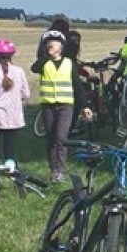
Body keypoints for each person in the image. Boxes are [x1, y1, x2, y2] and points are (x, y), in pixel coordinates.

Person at [37, 35, 79, 182]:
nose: (50, 49)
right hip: (48, 105)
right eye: (48, 47)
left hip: (65, 105)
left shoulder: (69, 63)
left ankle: (59, 170)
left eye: (53, 46)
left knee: (61, 138)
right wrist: (46, 57)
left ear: (61, 48)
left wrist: (84, 105)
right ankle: (52, 168)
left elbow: (77, 85)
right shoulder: (44, 63)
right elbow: (34, 68)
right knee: (51, 138)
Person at [0, 40, 30, 167]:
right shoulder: (19, 71)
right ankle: (13, 174)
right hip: (13, 116)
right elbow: (26, 94)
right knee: (10, 149)